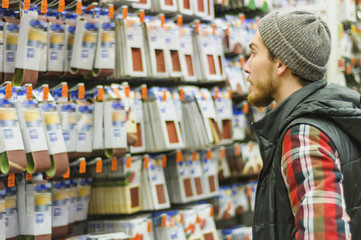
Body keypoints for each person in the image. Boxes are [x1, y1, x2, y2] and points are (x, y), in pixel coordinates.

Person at [243, 11, 361, 239]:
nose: (247, 67)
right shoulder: (334, 117)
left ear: (279, 63)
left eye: (253, 53)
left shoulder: (304, 134)